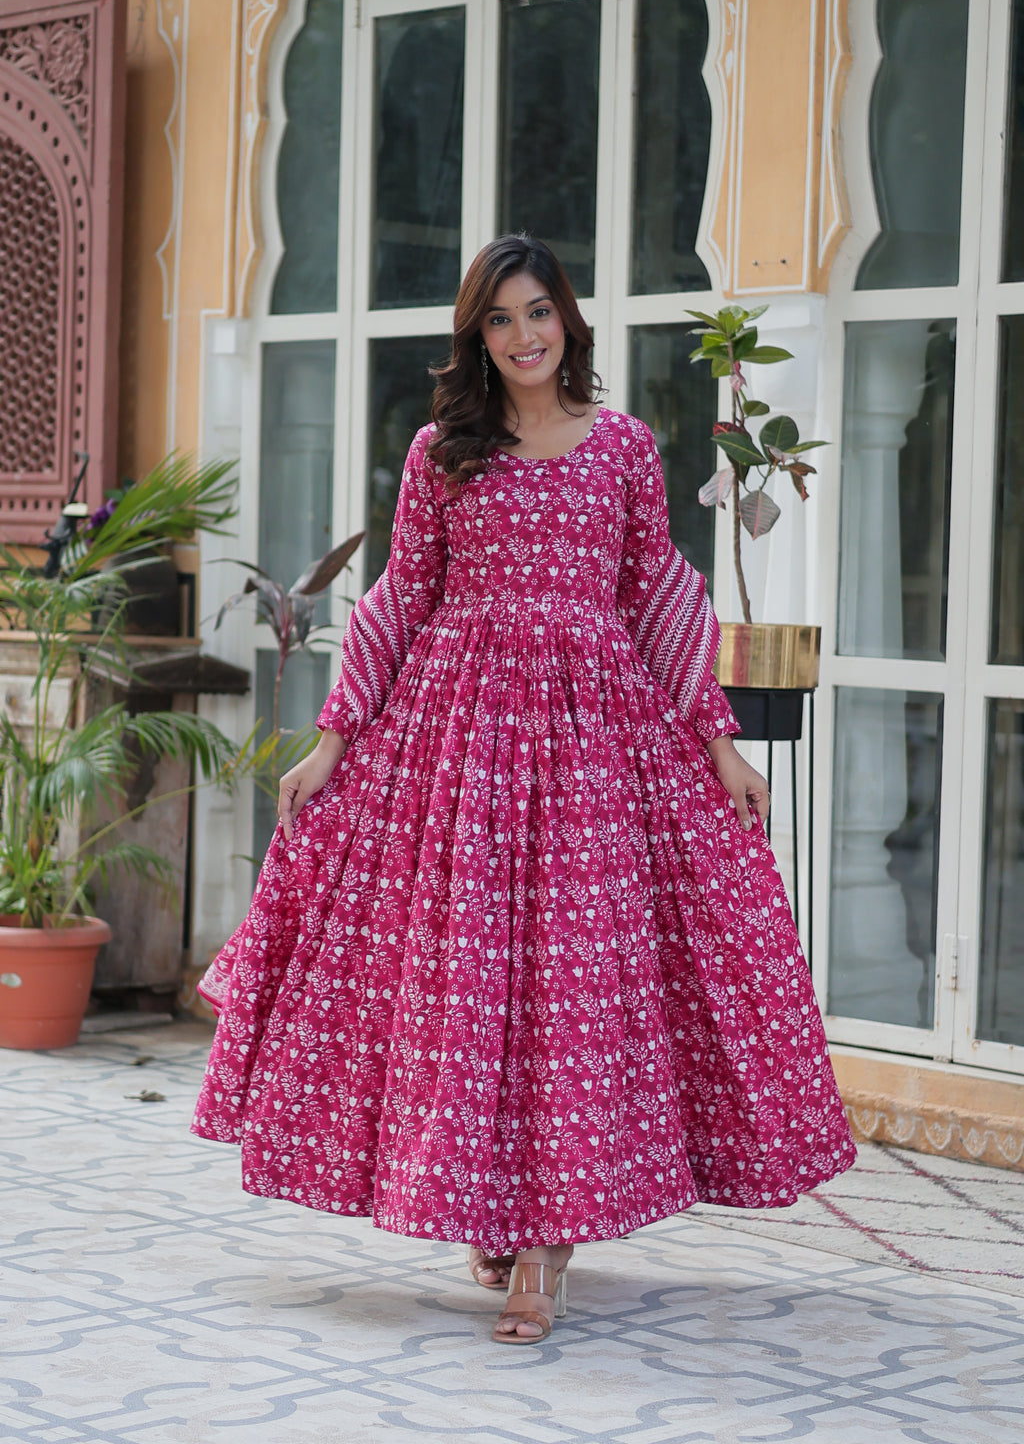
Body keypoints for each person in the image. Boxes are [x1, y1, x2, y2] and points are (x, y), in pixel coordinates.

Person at [193, 234, 856, 1347]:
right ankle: (490, 1206)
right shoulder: (442, 453)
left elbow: (658, 598)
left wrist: (719, 744)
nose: (522, 336)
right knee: (470, 987)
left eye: (537, 312)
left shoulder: (624, 449)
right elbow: (402, 596)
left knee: (572, 992)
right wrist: (333, 740)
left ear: (568, 320)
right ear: (476, 336)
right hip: (457, 748)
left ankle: (540, 1258)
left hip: (597, 751)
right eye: (499, 320)